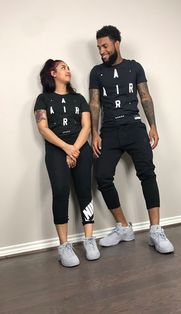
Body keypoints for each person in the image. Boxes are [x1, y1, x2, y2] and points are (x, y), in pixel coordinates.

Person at [89, 26, 174, 254]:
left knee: (147, 173)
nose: (101, 51)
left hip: (135, 128)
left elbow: (145, 95)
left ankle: (155, 230)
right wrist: (94, 133)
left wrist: (153, 125)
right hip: (109, 131)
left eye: (105, 46)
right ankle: (123, 227)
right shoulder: (96, 72)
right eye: (99, 47)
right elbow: (94, 103)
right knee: (102, 176)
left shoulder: (134, 67)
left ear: (117, 43)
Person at [34, 59, 100, 267]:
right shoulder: (43, 99)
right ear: (52, 73)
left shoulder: (79, 98)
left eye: (68, 67)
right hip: (56, 150)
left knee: (84, 192)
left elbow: (86, 127)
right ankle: (64, 246)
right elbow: (43, 128)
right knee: (61, 192)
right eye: (63, 67)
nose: (68, 70)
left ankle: (89, 239)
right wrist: (66, 148)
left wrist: (75, 149)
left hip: (80, 149)